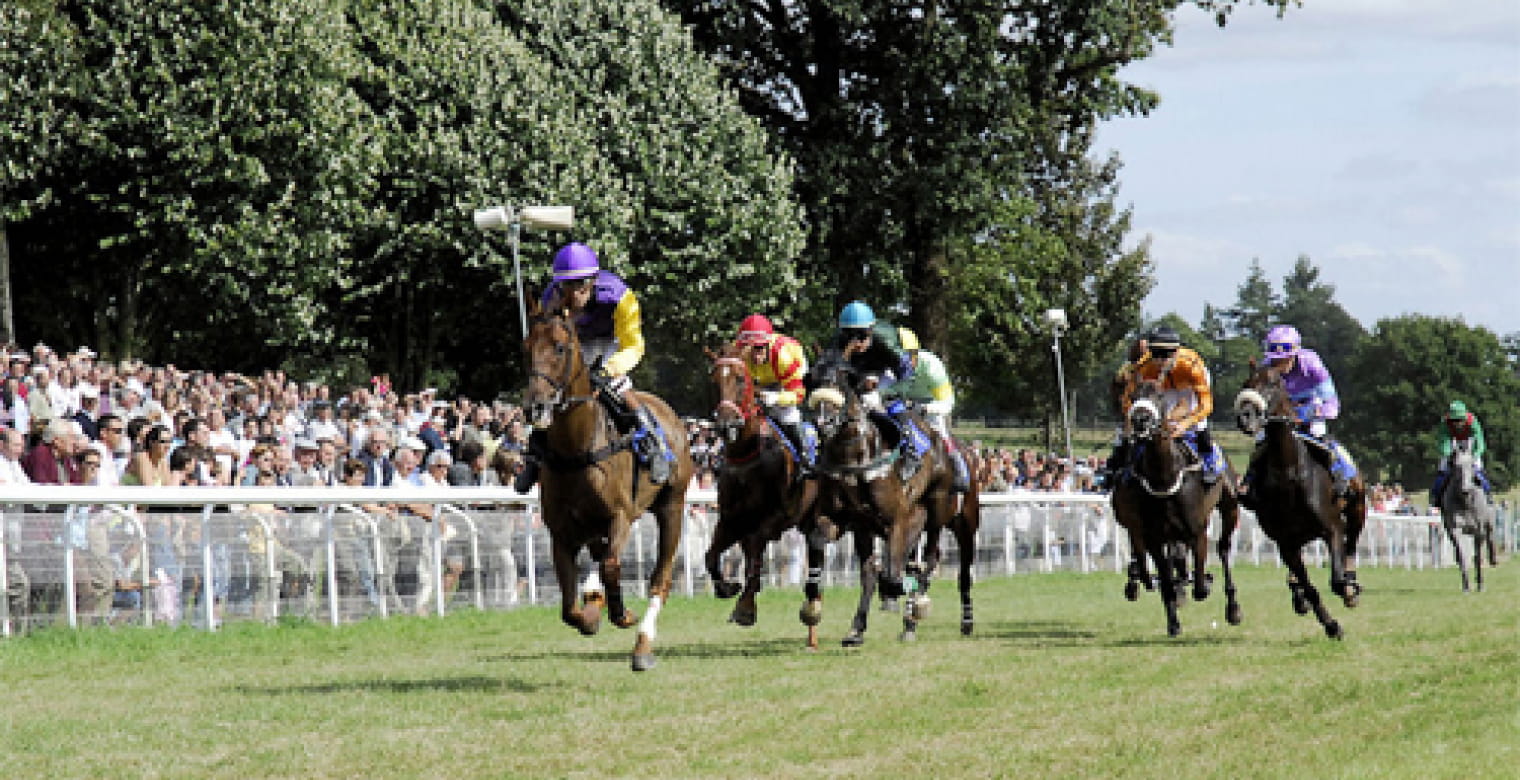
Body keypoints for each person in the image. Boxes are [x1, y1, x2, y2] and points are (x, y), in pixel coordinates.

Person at [516, 242, 674, 491]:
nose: (573, 293)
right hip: (575, 343)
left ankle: (655, 445)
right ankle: (534, 459)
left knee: (617, 387)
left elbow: (633, 345)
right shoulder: (551, 297)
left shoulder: (620, 296)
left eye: (580, 285)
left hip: (613, 342)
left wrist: (609, 369)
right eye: (567, 285)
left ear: (592, 281)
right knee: (551, 396)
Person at [1239, 324, 1357, 508]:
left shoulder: (1312, 364)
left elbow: (1333, 406)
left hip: (1310, 406)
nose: (1278, 365)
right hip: (1280, 414)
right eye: (1275, 360)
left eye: (1284, 359)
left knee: (1319, 434)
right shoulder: (1265, 369)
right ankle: (1250, 480)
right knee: (1262, 440)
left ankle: (1343, 474)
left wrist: (1304, 415)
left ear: (1295, 353)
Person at [1109, 327, 1224, 484]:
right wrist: (1130, 421)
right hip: (1163, 386)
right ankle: (1124, 464)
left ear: (1176, 352)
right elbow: (1129, 400)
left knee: (1198, 424)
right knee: (1154, 421)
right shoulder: (1144, 367)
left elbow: (1206, 405)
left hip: (1188, 384)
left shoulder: (1191, 365)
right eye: (1156, 353)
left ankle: (1209, 460)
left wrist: (1185, 423)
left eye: (1166, 354)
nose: (1161, 360)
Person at [827, 300, 927, 478]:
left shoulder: (886, 340)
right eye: (850, 336)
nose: (857, 342)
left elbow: (908, 376)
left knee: (888, 404)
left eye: (862, 336)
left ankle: (911, 450)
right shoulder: (838, 341)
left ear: (871, 331)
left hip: (885, 373)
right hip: (856, 374)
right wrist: (845, 355)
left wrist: (882, 394)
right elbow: (829, 372)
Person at [891, 327, 969, 492]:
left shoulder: (932, 366)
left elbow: (948, 403)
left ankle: (959, 468)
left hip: (929, 405)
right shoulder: (890, 367)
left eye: (905, 358)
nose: (901, 364)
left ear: (915, 355)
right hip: (900, 404)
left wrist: (924, 408)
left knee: (939, 430)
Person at [732, 313, 813, 471]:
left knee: (788, 415)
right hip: (760, 381)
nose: (755, 355)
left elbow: (798, 394)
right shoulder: (738, 353)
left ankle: (804, 459)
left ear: (768, 344)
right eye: (749, 349)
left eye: (759, 348)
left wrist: (776, 397)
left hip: (786, 379)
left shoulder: (783, 356)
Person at [1429, 400, 1491, 508]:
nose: (1458, 423)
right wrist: (1449, 454)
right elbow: (1444, 441)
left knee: (1478, 471)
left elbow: (1480, 441)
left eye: (1460, 420)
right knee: (1443, 471)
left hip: (1470, 442)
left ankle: (1488, 495)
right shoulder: (1445, 423)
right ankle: (1436, 496)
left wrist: (1476, 454)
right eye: (1455, 420)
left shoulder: (1473, 421)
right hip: (1452, 442)